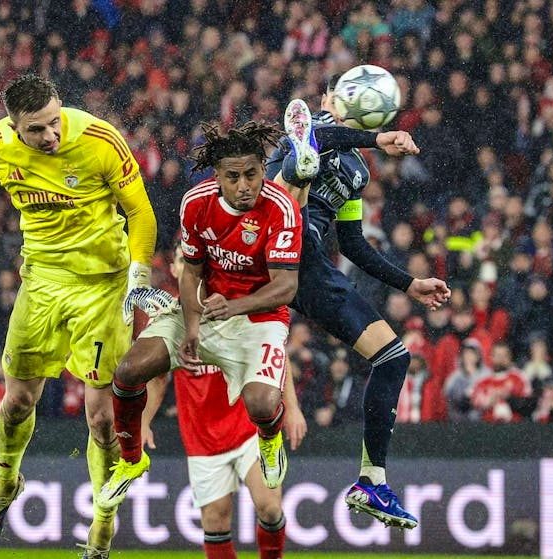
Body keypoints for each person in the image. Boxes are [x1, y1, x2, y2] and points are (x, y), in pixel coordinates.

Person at [0, 74, 168, 559]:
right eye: (37, 129)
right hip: (41, 283)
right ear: (15, 126)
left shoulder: (101, 140)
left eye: (55, 122)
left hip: (104, 287)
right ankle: (5, 485)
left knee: (103, 419)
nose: (52, 136)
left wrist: (139, 275)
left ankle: (102, 527)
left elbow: (141, 213)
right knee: (16, 401)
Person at [99, 106, 316, 513]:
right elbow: (191, 271)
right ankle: (130, 461)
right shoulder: (195, 204)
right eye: (232, 177)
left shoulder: (280, 207)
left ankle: (269, 441)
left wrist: (232, 305)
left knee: (262, 405)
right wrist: (193, 324)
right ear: (216, 175)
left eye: (251, 174)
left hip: (258, 318)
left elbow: (286, 287)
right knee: (127, 373)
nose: (244, 185)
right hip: (204, 311)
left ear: (262, 171)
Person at [265, 76, 448, 529]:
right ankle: (294, 179)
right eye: (334, 94)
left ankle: (371, 481)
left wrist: (409, 284)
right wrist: (376, 139)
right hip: (267, 239)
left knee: (394, 357)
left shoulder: (357, 172)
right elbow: (323, 134)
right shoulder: (313, 125)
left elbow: (352, 244)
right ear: (327, 98)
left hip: (308, 266)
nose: (338, 101)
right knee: (303, 156)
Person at [141, 248, 308, 559]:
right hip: (202, 435)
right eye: (181, 259)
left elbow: (271, 353)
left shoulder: (231, 302)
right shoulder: (169, 320)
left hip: (247, 426)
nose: (189, 264)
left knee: (270, 508)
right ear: (176, 270)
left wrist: (293, 408)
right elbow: (156, 377)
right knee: (215, 521)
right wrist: (144, 421)